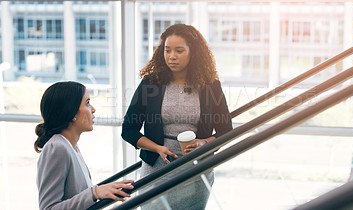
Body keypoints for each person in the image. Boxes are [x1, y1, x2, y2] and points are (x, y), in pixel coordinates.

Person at [121, 23, 233, 209]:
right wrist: (157, 148)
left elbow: (226, 130)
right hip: (155, 169)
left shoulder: (210, 85)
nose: (172, 56)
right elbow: (128, 130)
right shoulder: (151, 83)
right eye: (167, 50)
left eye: (179, 50)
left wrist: (203, 143)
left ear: (193, 52)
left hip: (196, 171)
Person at [35, 81, 134, 210]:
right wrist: (95, 193)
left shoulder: (71, 146)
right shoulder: (57, 148)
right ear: (72, 113)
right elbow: (48, 208)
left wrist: (96, 192)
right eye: (87, 103)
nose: (93, 109)